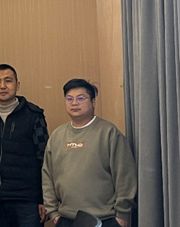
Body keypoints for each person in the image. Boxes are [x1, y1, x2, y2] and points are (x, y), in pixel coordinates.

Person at [42, 79, 137, 227]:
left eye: (81, 98)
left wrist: (123, 213)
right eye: (69, 99)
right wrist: (53, 213)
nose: (74, 103)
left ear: (93, 102)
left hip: (104, 219)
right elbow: (47, 176)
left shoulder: (109, 133)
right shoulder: (57, 135)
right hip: (65, 219)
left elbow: (125, 176)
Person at [0, 64, 49, 227]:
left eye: (8, 81)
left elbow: (45, 160)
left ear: (17, 85)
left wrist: (43, 198)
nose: (3, 86)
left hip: (27, 201)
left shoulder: (33, 115)